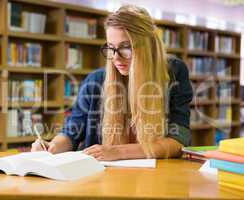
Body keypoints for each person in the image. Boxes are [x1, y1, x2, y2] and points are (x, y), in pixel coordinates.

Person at [31, 5, 193, 161]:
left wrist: (117, 152)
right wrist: (53, 146)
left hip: (156, 177)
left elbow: (179, 140)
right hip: (104, 178)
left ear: (147, 47)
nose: (115, 57)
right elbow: (72, 131)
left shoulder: (173, 73)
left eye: (125, 47)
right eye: (111, 48)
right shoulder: (95, 81)